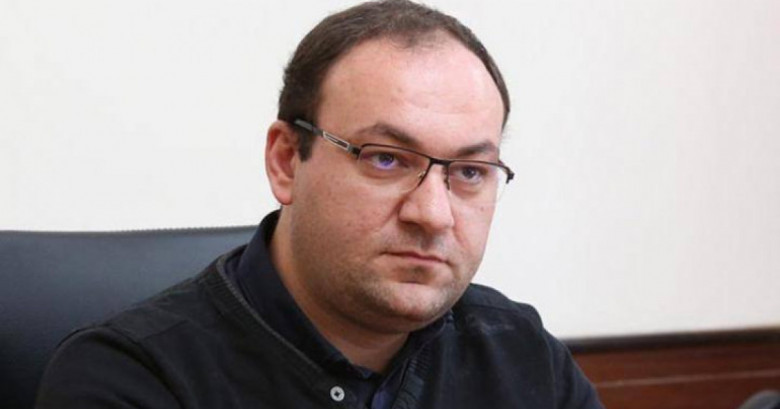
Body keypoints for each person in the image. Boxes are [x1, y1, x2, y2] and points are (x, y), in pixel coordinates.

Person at [35, 1, 604, 408]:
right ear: (287, 161)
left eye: (470, 172)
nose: (433, 214)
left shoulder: (521, 355)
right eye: (386, 159)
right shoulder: (130, 379)